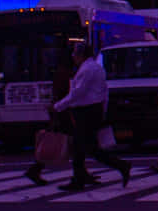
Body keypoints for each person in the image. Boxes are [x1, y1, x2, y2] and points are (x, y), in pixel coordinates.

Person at [50, 42, 132, 191]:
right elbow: (104, 92)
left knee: (84, 147)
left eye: (75, 54)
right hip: (93, 111)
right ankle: (82, 177)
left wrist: (58, 106)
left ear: (81, 55)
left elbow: (78, 93)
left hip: (86, 112)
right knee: (84, 147)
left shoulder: (87, 70)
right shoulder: (95, 68)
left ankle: (119, 166)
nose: (73, 57)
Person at [24, 51, 78, 187]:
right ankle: (35, 169)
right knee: (74, 142)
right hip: (63, 112)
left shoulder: (61, 73)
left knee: (69, 142)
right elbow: (65, 94)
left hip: (60, 111)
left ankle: (36, 169)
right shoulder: (65, 74)